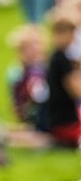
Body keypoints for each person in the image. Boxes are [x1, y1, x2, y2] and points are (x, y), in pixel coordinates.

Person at [45, 8, 81, 148]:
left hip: (55, 116)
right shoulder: (62, 59)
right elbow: (75, 91)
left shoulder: (56, 56)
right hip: (65, 121)